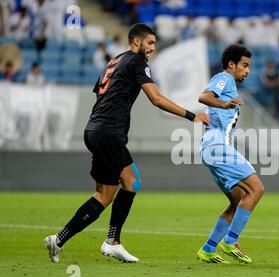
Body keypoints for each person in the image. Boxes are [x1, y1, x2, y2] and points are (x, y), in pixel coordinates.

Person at [44, 23, 209, 263]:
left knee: (103, 195)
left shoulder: (114, 61)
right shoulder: (136, 61)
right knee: (131, 182)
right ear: (136, 42)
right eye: (150, 43)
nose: (152, 48)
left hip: (94, 129)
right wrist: (193, 116)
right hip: (110, 132)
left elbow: (101, 94)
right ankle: (112, 242)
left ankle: (58, 240)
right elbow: (156, 98)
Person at [196, 44, 264, 264]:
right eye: (244, 65)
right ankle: (230, 240)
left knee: (237, 201)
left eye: (249, 66)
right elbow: (204, 97)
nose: (248, 70)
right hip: (217, 147)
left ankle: (208, 249)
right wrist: (223, 104)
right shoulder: (224, 77)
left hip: (210, 148)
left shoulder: (230, 84)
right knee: (256, 189)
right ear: (231, 64)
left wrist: (224, 105)